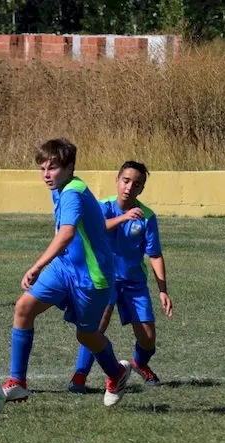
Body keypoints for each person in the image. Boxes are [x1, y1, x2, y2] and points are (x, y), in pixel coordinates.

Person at [1, 139, 130, 407]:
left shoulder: (72, 192)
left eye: (53, 168)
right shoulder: (60, 187)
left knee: (86, 335)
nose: (47, 175)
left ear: (70, 167)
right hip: (65, 268)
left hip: (92, 278)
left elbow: (67, 232)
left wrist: (36, 266)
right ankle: (18, 383)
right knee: (24, 307)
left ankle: (117, 373)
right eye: (42, 169)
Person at [68, 161, 173, 392]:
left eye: (136, 184)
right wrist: (124, 218)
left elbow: (154, 254)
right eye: (126, 181)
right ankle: (79, 375)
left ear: (141, 189)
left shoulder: (147, 216)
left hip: (134, 282)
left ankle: (140, 363)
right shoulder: (102, 206)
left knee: (148, 337)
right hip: (104, 280)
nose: (129, 187)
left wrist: (163, 290)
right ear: (117, 180)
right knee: (95, 328)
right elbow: (94, 229)